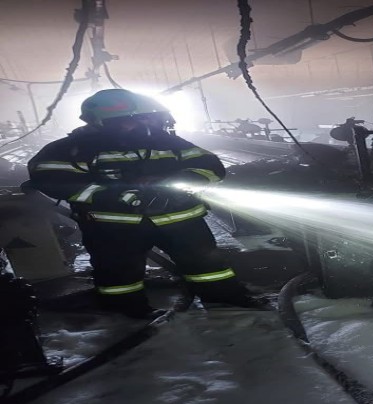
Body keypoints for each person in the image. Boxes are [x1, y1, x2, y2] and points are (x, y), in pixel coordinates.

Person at [27, 89, 264, 319]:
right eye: (135, 119)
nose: (145, 123)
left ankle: (224, 297)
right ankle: (126, 310)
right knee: (119, 274)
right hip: (114, 227)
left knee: (209, 266)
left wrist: (175, 183)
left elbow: (210, 166)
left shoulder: (167, 141)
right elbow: (51, 178)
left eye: (146, 118)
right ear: (104, 121)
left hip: (181, 221)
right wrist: (115, 196)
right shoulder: (73, 148)